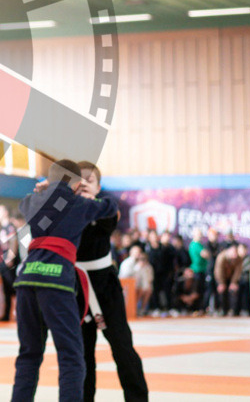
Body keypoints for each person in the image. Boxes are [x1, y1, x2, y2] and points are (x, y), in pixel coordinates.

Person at [11, 159, 118, 402]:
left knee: (28, 355)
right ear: (78, 183)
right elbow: (110, 207)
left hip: (27, 280)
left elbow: (24, 202)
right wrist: (93, 193)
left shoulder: (31, 201)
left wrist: (44, 189)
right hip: (56, 281)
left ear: (50, 179)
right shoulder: (79, 204)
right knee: (71, 356)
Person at [74, 161, 147, 402]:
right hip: (77, 287)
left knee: (122, 347)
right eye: (79, 179)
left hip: (106, 285)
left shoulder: (106, 206)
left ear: (99, 185)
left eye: (90, 180)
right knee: (82, 354)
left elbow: (109, 218)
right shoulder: (65, 210)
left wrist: (90, 200)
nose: (84, 184)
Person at [213, 243, 247, 316]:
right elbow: (219, 271)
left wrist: (234, 282)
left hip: (231, 278)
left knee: (234, 291)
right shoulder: (221, 257)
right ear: (228, 251)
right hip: (221, 278)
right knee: (221, 291)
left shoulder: (239, 258)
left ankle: (233, 310)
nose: (235, 254)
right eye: (233, 252)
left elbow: (238, 271)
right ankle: (221, 309)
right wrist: (221, 283)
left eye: (236, 251)